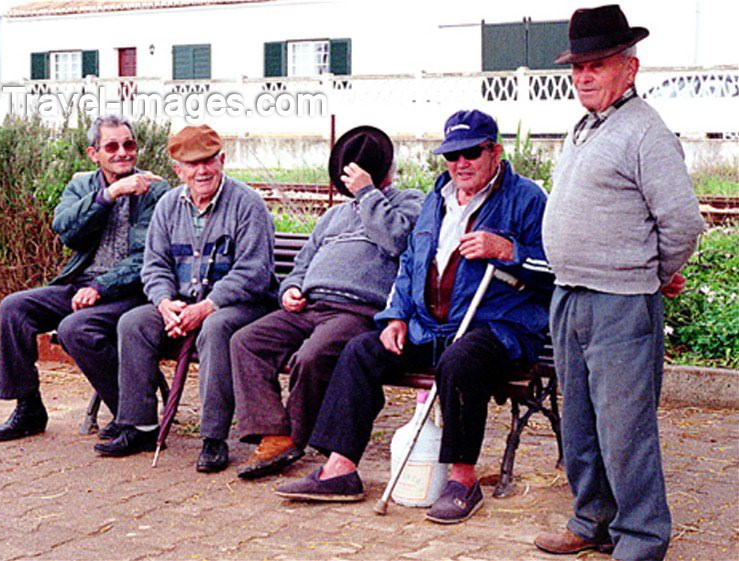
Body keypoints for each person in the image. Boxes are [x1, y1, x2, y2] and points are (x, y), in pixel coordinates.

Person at [275, 109, 553, 524]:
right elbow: (410, 264)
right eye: (452, 155)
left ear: (495, 151)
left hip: (496, 328)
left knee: (460, 361)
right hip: (430, 327)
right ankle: (340, 469)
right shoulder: (435, 200)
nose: (460, 164)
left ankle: (462, 481)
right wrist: (396, 316)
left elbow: (557, 269)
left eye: (471, 153)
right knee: (361, 350)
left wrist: (509, 251)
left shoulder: (528, 199)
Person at [533, 6, 705, 561]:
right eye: (577, 67)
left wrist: (651, 275)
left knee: (626, 431)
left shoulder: (646, 132)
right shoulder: (586, 126)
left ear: (629, 69)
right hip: (570, 293)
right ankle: (592, 522)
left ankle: (642, 540)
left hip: (620, 302)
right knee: (579, 424)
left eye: (597, 65)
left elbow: (681, 222)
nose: (583, 76)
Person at [230, 126, 424, 479]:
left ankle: (294, 437)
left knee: (311, 356)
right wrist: (291, 288)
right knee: (246, 341)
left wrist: (368, 193)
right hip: (311, 305)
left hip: (358, 311)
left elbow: (398, 241)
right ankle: (275, 433)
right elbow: (302, 264)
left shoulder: (408, 202)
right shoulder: (333, 217)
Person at [94, 124, 278, 474]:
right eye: (191, 164)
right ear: (178, 170)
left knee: (216, 329)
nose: (202, 171)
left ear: (222, 160)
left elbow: (254, 272)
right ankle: (139, 426)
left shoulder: (247, 204)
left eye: (208, 161)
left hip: (239, 306)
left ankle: (213, 438)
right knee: (133, 322)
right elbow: (154, 266)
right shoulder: (167, 205)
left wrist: (207, 306)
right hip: (181, 304)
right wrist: (164, 303)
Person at [0, 115, 170, 442]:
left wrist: (100, 287)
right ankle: (29, 408)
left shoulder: (154, 190)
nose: (122, 153)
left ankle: (131, 416)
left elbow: (146, 258)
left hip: (130, 292)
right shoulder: (83, 186)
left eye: (128, 145)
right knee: (14, 308)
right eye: (111, 146)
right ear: (93, 154)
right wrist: (109, 195)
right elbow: (65, 230)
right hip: (80, 284)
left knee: (77, 328)